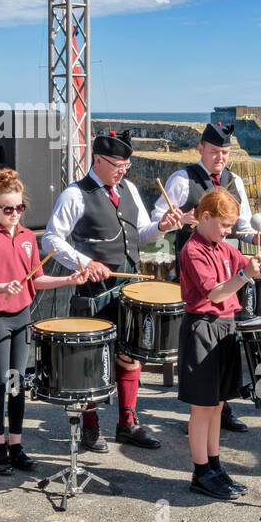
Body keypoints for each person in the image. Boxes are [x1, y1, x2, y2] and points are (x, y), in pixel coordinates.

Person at [42, 131, 183, 451]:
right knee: (93, 358)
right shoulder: (75, 194)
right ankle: (91, 427)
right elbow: (51, 239)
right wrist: (84, 261)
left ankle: (127, 423)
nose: (123, 170)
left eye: (127, 165)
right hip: (93, 289)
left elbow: (141, 234)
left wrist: (161, 228)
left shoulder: (130, 189)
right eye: (117, 165)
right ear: (97, 160)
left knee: (130, 354)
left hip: (128, 287)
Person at [179, 189, 261, 500]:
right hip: (202, 329)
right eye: (225, 225)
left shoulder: (224, 247)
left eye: (231, 226)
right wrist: (243, 274)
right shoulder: (193, 250)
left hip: (226, 327)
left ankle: (214, 466)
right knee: (202, 407)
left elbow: (258, 269)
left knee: (218, 404)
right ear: (205, 216)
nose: (229, 232)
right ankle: (200, 473)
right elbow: (215, 293)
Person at [151, 120, 261, 433]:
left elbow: (241, 225)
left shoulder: (235, 180)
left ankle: (222, 407)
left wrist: (254, 236)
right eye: (215, 151)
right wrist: (177, 220)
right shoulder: (181, 179)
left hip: (231, 266)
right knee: (200, 335)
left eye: (225, 152)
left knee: (225, 333)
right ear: (200, 149)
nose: (220, 157)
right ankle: (201, 408)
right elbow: (157, 221)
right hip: (195, 263)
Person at [0, 168, 87, 474]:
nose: (15, 214)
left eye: (20, 208)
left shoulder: (27, 238)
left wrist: (68, 279)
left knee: (17, 382)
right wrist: (2, 287)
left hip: (22, 316)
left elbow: (38, 278)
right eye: (8, 209)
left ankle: (17, 445)